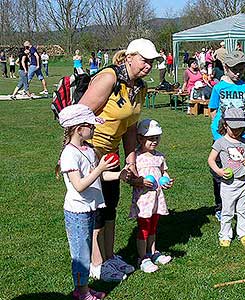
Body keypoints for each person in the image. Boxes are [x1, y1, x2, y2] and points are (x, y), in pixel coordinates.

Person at [79, 38, 161, 282]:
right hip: (91, 151)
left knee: (110, 205)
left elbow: (130, 126)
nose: (148, 65)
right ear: (129, 57)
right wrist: (83, 151)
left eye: (152, 62)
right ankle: (96, 265)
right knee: (96, 209)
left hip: (111, 153)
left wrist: (131, 160)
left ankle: (110, 256)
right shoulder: (109, 78)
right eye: (145, 60)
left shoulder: (139, 87)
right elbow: (79, 113)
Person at [56, 104, 125, 300]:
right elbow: (79, 185)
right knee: (81, 255)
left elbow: (99, 178)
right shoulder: (70, 154)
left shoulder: (88, 149)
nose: (95, 129)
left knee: (84, 251)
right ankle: (81, 292)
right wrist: (100, 168)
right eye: (92, 126)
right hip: (77, 212)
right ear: (79, 129)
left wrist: (120, 174)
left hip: (89, 209)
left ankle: (84, 288)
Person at [208, 51, 245, 221]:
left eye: (241, 70)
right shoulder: (219, 88)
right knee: (221, 172)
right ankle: (221, 206)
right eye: (234, 69)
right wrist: (218, 131)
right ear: (225, 67)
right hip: (222, 137)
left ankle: (240, 204)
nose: (238, 73)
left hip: (242, 137)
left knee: (240, 170)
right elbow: (212, 109)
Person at [129, 119, 174, 272]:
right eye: (150, 138)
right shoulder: (135, 157)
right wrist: (139, 182)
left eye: (157, 138)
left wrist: (167, 180)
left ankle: (153, 252)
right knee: (144, 228)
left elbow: (163, 172)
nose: (154, 141)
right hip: (143, 200)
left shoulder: (159, 157)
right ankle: (142, 258)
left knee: (153, 226)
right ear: (140, 138)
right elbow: (130, 178)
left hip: (157, 198)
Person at [208, 108, 245, 247]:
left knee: (243, 210)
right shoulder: (220, 142)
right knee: (227, 211)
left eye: (239, 128)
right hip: (227, 184)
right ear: (225, 125)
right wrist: (219, 171)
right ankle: (225, 235)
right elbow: (211, 160)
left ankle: (244, 234)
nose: (236, 131)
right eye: (233, 128)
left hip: (243, 182)